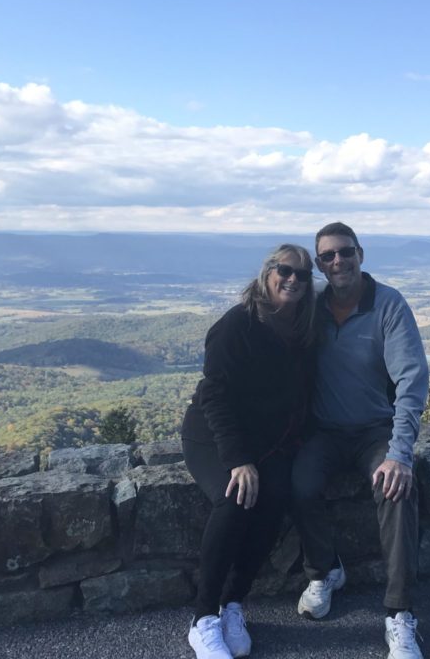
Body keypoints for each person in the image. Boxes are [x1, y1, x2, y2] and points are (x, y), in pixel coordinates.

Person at [291, 222, 429, 659]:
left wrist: (400, 453)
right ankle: (325, 570)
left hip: (375, 430)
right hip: (324, 431)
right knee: (298, 483)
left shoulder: (388, 304)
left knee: (396, 489)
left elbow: (411, 380)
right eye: (327, 256)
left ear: (360, 254)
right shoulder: (311, 306)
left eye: (345, 252)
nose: (338, 261)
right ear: (319, 265)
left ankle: (399, 612)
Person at [181, 243, 317, 659]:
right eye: (285, 270)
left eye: (302, 274)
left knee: (275, 496)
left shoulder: (304, 327)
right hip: (212, 435)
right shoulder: (237, 325)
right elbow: (215, 396)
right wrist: (237, 459)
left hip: (267, 442)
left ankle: (234, 603)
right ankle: (203, 618)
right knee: (234, 498)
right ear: (267, 272)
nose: (293, 279)